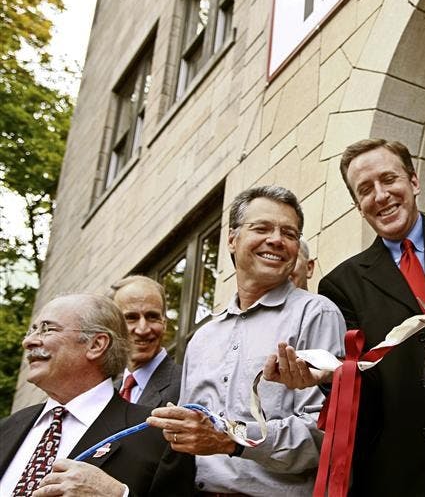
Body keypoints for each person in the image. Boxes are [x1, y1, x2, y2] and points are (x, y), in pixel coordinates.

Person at [308, 138, 425, 496]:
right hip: (397, 471)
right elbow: (362, 387)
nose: (380, 196)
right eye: (365, 189)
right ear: (358, 206)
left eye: (389, 179)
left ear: (414, 181)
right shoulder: (340, 285)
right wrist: (332, 379)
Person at [147, 185, 346, 496]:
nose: (276, 240)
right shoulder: (202, 339)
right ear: (232, 239)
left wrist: (231, 439)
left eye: (289, 233)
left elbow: (324, 434)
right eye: (262, 228)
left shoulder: (316, 313)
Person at [0, 294, 194, 496]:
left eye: (47, 329)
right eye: (32, 330)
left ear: (96, 345)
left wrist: (118, 495)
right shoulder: (6, 429)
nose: (29, 341)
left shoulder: (159, 436)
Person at [106, 275, 181, 407]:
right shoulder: (106, 395)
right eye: (131, 318)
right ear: (113, 326)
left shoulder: (186, 384)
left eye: (152, 317)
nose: (143, 330)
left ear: (164, 323)